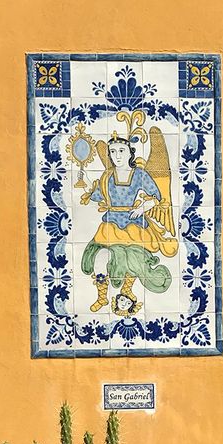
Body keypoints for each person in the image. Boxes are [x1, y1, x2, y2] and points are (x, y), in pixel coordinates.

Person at [79, 128, 178, 316]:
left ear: (130, 153)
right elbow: (98, 195)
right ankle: (102, 297)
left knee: (133, 260)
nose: (117, 156)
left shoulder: (139, 174)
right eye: (113, 152)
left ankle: (126, 291)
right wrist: (86, 190)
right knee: (100, 258)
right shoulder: (107, 176)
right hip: (111, 223)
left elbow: (158, 197)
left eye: (121, 151)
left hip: (134, 225)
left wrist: (143, 207)